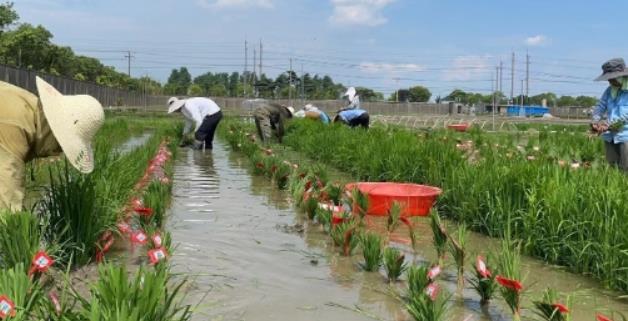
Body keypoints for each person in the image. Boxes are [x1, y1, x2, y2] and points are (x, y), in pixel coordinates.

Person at [0, 77, 105, 211]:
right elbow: (5, 204)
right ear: (55, 130)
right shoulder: (15, 126)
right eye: (61, 146)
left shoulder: (27, 107)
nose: (57, 152)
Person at [591, 58, 628, 171]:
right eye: (608, 79)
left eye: (612, 78)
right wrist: (595, 121)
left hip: (625, 136)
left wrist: (609, 124)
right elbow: (600, 106)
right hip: (610, 136)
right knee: (612, 167)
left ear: (621, 76)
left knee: (625, 168)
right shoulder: (609, 90)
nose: (609, 81)